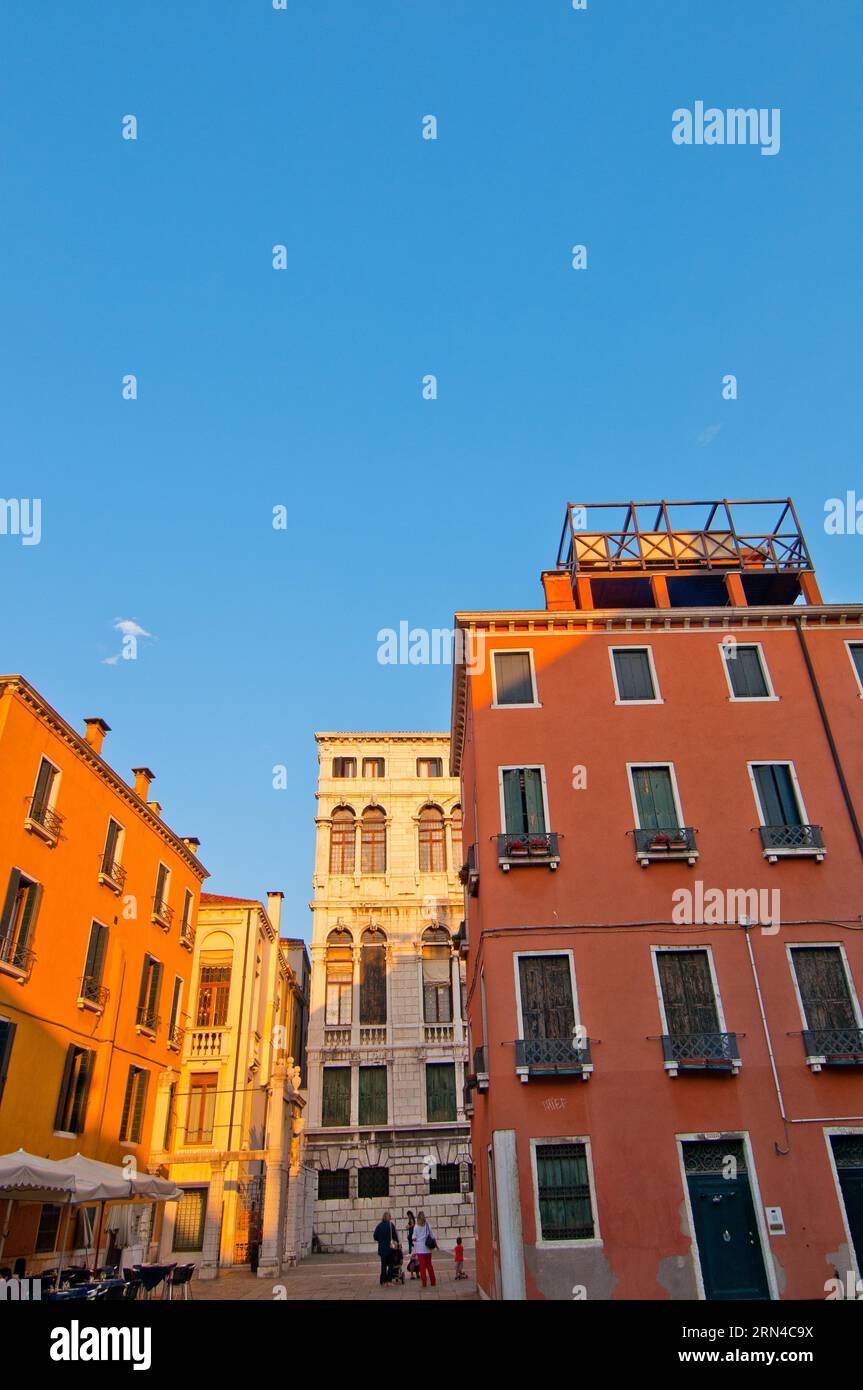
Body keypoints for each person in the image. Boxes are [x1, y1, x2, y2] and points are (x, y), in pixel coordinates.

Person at [412, 1210, 436, 1287]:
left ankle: (424, 1283)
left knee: (422, 1266)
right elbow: (432, 1236)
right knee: (429, 1265)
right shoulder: (428, 1225)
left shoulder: (416, 1227)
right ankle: (433, 1281)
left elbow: (414, 1237)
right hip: (428, 1248)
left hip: (420, 1249)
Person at [373, 1211, 398, 1286]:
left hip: (382, 1249)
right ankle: (389, 1281)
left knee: (383, 1265)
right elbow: (395, 1237)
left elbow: (375, 1236)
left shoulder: (379, 1226)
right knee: (390, 1265)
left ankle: (383, 1281)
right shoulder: (391, 1225)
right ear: (389, 1217)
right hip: (390, 1249)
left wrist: (381, 1240)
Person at [406, 1211, 419, 1278]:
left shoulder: (412, 1220)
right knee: (416, 1260)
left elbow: (413, 1225)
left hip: (412, 1235)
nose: (408, 1216)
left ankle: (414, 1274)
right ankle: (415, 1274)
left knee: (414, 1260)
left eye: (408, 1215)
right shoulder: (411, 1219)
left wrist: (409, 1227)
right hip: (416, 1246)